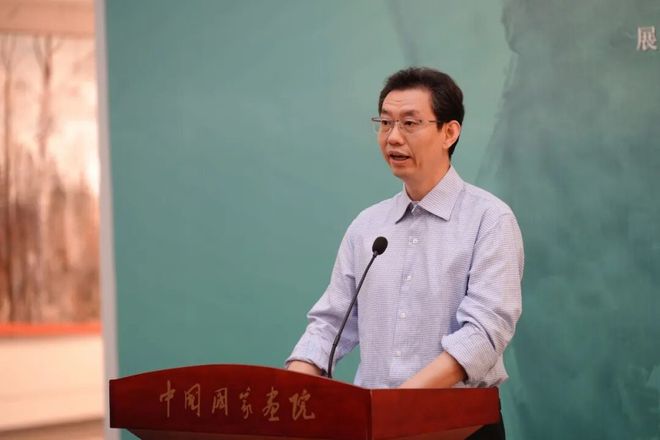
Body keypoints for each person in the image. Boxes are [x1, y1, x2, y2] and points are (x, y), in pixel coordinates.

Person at [286, 67, 523, 439]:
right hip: (374, 425)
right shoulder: (368, 226)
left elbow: (484, 334)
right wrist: (293, 391)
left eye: (410, 123)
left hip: (457, 425)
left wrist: (398, 404)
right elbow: (330, 324)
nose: (393, 137)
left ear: (449, 132)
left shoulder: (489, 220)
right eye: (385, 123)